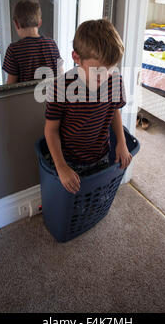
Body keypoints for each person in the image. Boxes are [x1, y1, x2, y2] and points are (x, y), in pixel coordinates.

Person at [44, 19, 132, 194]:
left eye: (111, 68)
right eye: (97, 69)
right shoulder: (60, 87)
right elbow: (51, 130)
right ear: (76, 57)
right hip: (69, 159)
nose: (105, 75)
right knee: (73, 202)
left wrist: (121, 142)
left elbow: (114, 110)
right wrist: (61, 166)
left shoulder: (114, 80)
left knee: (97, 196)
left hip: (102, 154)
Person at [2, 0, 62, 84]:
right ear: (39, 23)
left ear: (16, 24)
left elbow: (10, 85)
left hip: (26, 97)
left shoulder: (14, 50)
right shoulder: (52, 44)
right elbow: (61, 75)